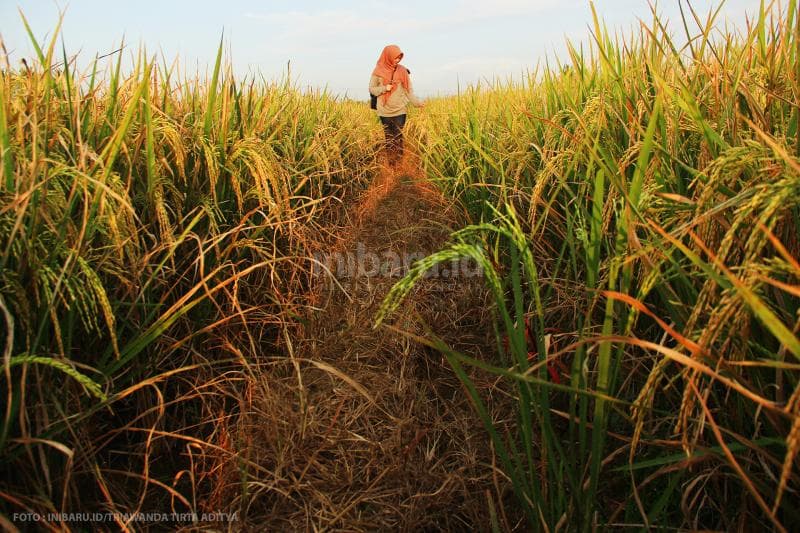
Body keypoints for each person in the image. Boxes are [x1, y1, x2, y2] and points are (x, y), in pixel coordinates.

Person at [369, 44, 424, 167]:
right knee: (389, 138)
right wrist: (384, 88)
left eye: (399, 57)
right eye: (395, 57)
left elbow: (408, 91)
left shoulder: (403, 71)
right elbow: (372, 89)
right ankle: (391, 164)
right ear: (388, 56)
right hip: (384, 111)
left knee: (398, 137)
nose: (398, 60)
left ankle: (399, 164)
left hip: (400, 110)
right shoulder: (378, 71)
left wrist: (417, 103)